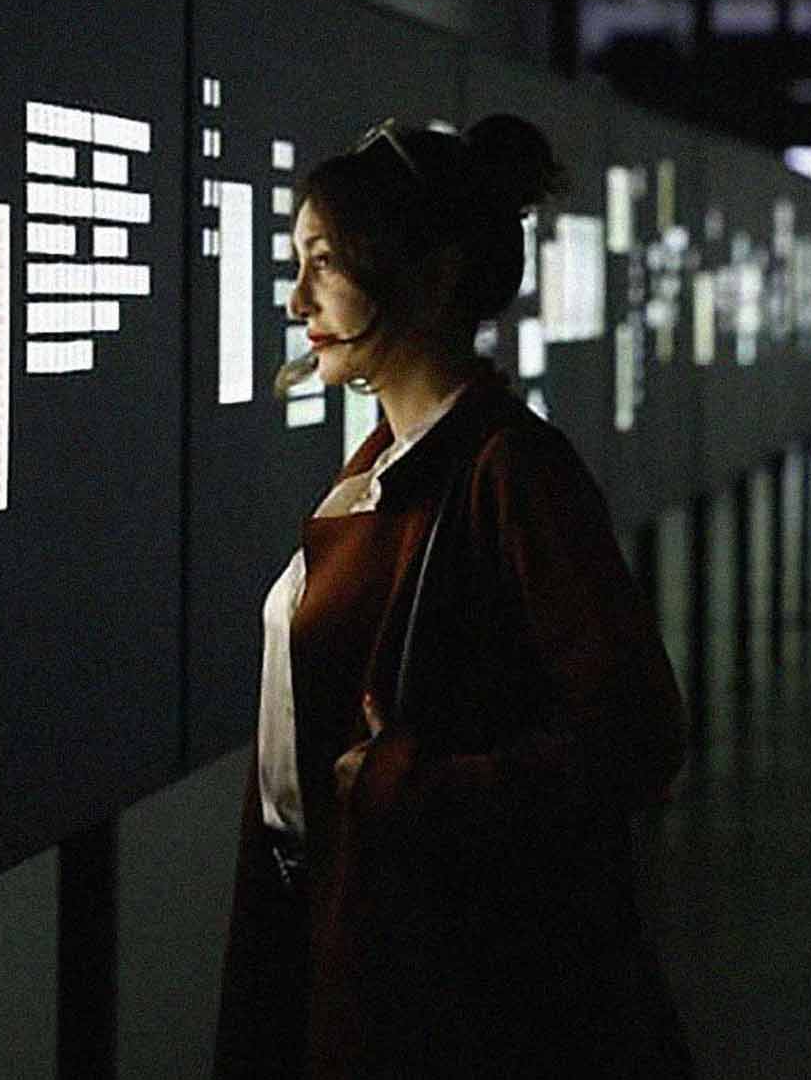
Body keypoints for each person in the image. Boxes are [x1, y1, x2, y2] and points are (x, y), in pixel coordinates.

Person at [213, 115, 692, 1079]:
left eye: (326, 262)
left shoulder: (512, 471)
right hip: (360, 943)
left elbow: (636, 736)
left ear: (429, 276)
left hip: (460, 995)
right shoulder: (390, 464)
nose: (299, 296)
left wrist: (406, 783)